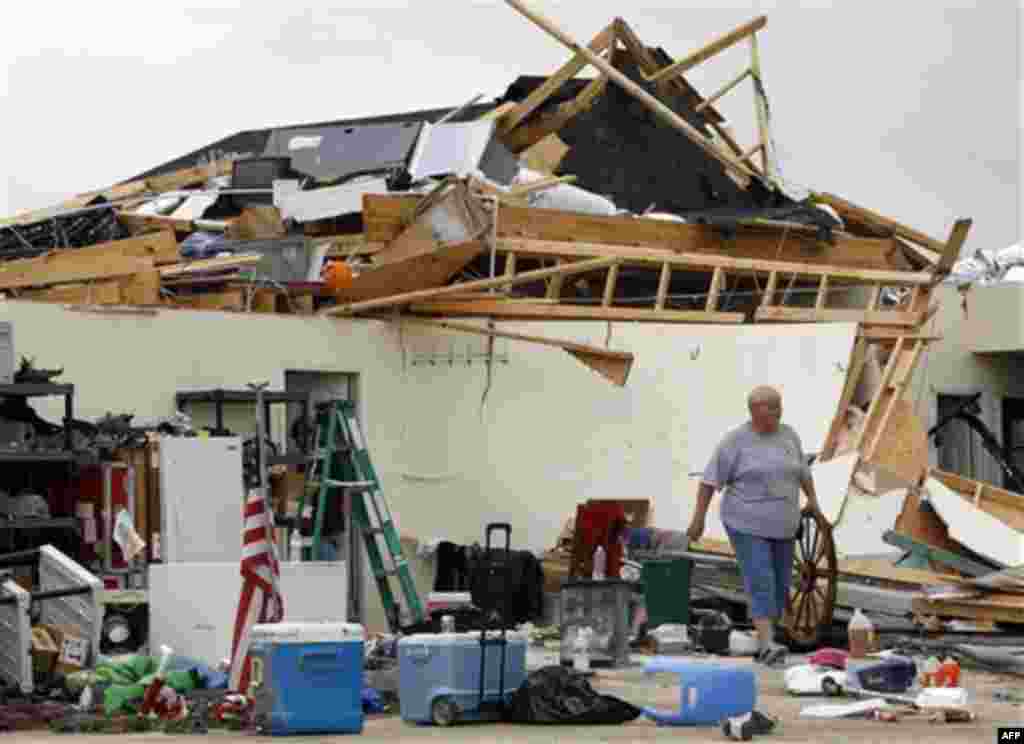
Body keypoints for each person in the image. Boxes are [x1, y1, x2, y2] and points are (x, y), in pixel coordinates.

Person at [686, 385, 823, 665]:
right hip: (745, 521)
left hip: (784, 524)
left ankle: (767, 637)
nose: (778, 410)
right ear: (754, 410)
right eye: (771, 406)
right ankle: (767, 643)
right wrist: (698, 519)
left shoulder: (789, 435)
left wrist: (813, 500)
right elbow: (709, 482)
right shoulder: (735, 441)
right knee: (760, 577)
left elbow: (802, 471)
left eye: (779, 405)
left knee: (781, 582)